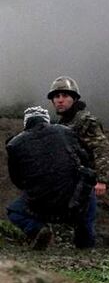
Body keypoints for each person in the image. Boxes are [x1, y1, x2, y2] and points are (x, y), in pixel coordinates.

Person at [6, 106, 97, 250]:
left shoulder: (14, 144)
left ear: (26, 123)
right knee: (88, 191)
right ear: (46, 120)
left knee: (14, 211)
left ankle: (37, 228)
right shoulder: (65, 131)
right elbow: (86, 160)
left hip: (39, 205)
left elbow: (17, 180)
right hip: (73, 202)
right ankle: (85, 244)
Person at [48, 76, 109, 199]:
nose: (60, 100)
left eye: (65, 96)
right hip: (66, 183)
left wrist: (101, 180)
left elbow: (102, 149)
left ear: (74, 99)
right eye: (56, 97)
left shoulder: (86, 121)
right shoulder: (61, 124)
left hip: (84, 184)